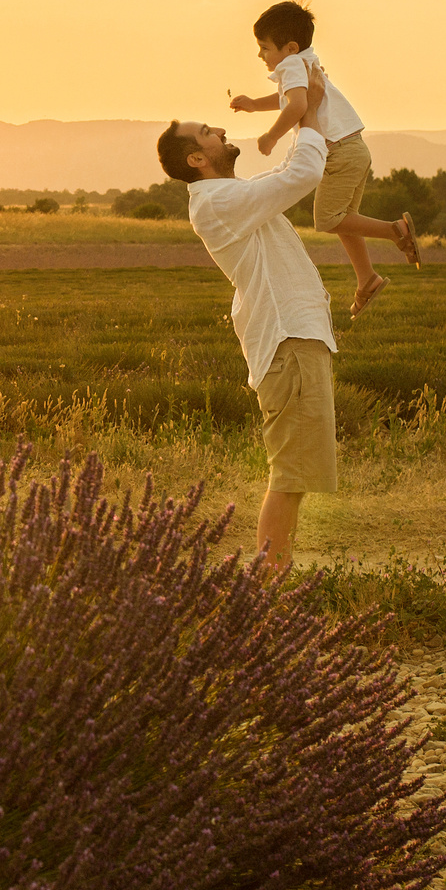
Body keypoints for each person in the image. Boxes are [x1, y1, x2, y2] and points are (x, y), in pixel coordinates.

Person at [158, 115, 336, 571]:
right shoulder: (219, 200)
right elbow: (301, 174)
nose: (219, 129)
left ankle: (270, 585)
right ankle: (267, 591)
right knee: (289, 475)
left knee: (293, 474)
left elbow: (284, 177)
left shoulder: (230, 197)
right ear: (197, 158)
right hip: (287, 341)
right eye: (206, 133)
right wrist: (309, 115)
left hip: (293, 339)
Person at [226, 0, 419, 319]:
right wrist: (253, 105)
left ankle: (396, 230)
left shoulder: (289, 66)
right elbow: (289, 97)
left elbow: (298, 105)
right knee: (345, 219)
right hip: (353, 147)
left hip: (337, 152)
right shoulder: (304, 61)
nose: (260, 55)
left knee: (327, 220)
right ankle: (367, 281)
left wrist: (271, 135)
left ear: (289, 47)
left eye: (264, 47)